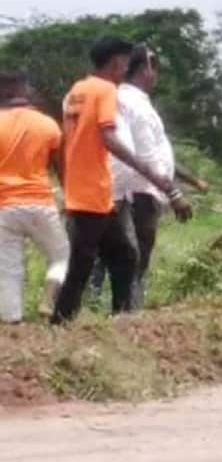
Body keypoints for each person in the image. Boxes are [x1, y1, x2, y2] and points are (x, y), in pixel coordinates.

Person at [52, 37, 192, 324]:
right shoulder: (105, 91)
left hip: (95, 190)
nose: (125, 69)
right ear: (116, 62)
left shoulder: (77, 91)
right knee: (84, 262)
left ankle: (118, 319)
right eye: (125, 63)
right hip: (94, 192)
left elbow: (71, 142)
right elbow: (109, 137)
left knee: (122, 256)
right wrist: (155, 176)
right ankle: (62, 321)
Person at [102, 45, 207, 309]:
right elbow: (148, 156)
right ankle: (129, 312)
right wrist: (175, 195)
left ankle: (125, 309)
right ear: (145, 68)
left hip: (139, 188)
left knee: (124, 257)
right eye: (154, 67)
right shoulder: (135, 105)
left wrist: (189, 182)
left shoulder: (131, 101)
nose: (155, 74)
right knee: (135, 259)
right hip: (141, 190)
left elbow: (161, 153)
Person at [0, 72, 70, 322]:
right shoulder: (48, 124)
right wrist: (69, 200)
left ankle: (12, 321)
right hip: (40, 202)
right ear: (24, 90)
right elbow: (61, 169)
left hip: (4, 207)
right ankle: (48, 299)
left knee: (9, 269)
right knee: (61, 255)